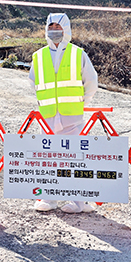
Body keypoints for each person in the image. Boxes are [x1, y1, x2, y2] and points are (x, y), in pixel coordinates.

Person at [29, 13, 99, 214]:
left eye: (58, 27)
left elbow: (91, 82)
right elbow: (34, 83)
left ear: (66, 29)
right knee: (50, 159)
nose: (54, 31)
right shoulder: (39, 56)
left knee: (75, 160)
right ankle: (49, 198)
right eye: (50, 26)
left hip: (72, 117)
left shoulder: (78, 54)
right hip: (48, 118)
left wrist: (80, 103)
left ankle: (79, 202)